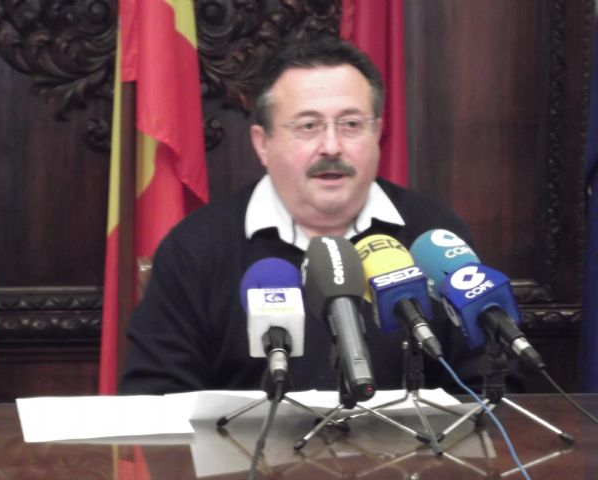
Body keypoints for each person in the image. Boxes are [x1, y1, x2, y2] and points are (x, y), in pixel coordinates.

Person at [119, 36, 498, 396]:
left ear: (377, 133)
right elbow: (155, 399)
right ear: (263, 143)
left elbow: (491, 382)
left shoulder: (432, 236)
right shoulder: (196, 248)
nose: (331, 146)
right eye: (308, 126)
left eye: (351, 125)